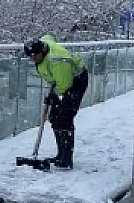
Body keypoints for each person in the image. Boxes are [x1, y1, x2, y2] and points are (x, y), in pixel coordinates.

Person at [24, 35, 89, 170]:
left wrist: (53, 95)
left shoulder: (57, 60)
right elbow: (48, 37)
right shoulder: (43, 48)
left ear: (42, 51)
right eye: (30, 56)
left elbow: (65, 85)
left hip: (77, 81)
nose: (33, 59)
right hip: (61, 81)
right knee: (54, 116)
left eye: (35, 56)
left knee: (64, 117)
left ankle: (66, 159)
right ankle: (60, 154)